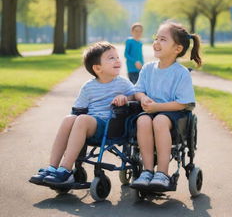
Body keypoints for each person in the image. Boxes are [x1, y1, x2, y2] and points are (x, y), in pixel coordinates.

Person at [30, 41, 135, 186]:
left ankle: (65, 170)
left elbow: (137, 96)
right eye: (111, 58)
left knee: (82, 120)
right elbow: (78, 109)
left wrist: (126, 98)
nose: (117, 60)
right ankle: (52, 167)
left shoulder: (123, 83)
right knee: (69, 119)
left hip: (111, 126)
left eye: (117, 57)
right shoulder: (89, 86)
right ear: (98, 68)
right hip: (90, 124)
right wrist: (73, 120)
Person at [131, 20, 202, 191]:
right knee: (142, 121)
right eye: (156, 38)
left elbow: (183, 103)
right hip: (151, 111)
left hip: (173, 114)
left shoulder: (181, 73)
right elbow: (138, 90)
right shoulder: (148, 69)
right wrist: (142, 99)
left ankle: (162, 173)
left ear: (177, 49)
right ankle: (147, 170)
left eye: (163, 39)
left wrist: (157, 108)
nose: (156, 42)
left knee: (160, 120)